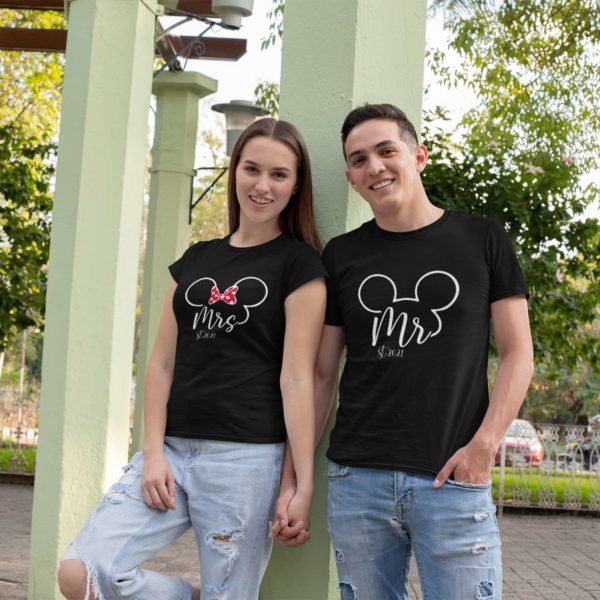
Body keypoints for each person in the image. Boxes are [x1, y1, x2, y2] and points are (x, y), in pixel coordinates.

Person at [271, 103, 534, 599]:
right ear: (351, 179)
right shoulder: (342, 255)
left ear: (418, 156)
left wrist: (484, 446)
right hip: (357, 480)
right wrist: (294, 481)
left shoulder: (483, 239)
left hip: (452, 478)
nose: (375, 166)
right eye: (359, 160)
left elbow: (518, 353)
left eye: (386, 151)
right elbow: (321, 377)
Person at [57, 117, 326, 600]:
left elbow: (297, 380)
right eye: (251, 169)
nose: (262, 185)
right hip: (171, 453)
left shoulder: (300, 265)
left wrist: (299, 486)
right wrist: (153, 452)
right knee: (81, 572)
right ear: (235, 171)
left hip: (246, 460)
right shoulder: (195, 260)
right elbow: (161, 364)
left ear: (295, 185)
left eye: (279, 174)